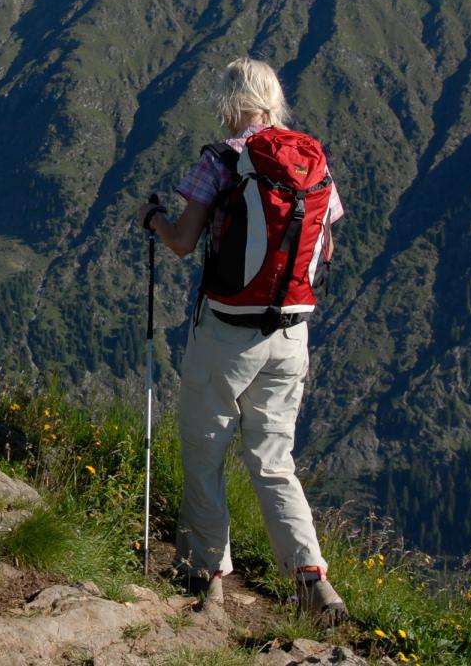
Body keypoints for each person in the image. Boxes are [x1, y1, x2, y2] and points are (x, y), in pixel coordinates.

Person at [134, 57, 347, 622]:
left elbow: (182, 241)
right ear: (275, 101)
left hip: (227, 334)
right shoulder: (312, 162)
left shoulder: (221, 162)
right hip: (290, 334)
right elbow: (323, 249)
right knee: (275, 461)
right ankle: (311, 578)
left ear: (230, 103)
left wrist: (152, 219)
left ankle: (206, 575)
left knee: (205, 451)